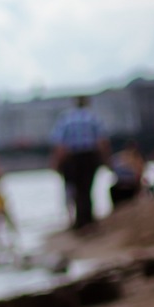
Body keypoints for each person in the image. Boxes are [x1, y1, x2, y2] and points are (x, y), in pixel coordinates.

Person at [50, 95, 111, 231]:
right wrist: (106, 159)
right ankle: (87, 218)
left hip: (73, 158)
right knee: (87, 187)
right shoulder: (93, 118)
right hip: (89, 156)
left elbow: (60, 145)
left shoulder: (66, 119)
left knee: (76, 188)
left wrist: (56, 163)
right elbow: (102, 141)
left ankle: (81, 220)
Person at [108, 140, 146, 208]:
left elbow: (110, 167)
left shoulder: (117, 157)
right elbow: (139, 175)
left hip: (117, 188)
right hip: (129, 188)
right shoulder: (136, 159)